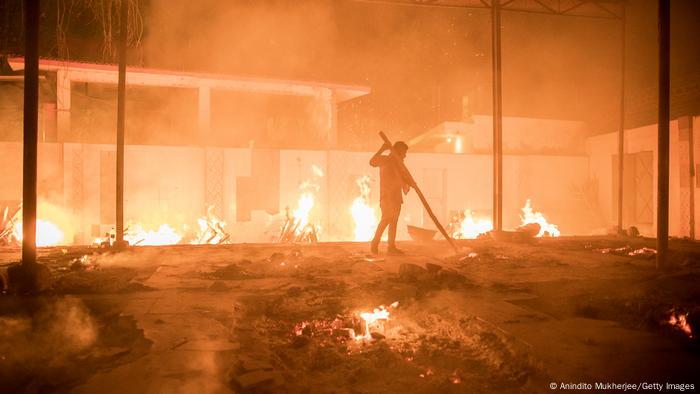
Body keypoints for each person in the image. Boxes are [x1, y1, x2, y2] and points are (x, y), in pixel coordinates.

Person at [369, 141, 412, 255]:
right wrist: (382, 148)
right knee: (386, 219)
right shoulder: (385, 160)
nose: (405, 155)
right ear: (397, 151)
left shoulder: (399, 164)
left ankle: (391, 247)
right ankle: (375, 243)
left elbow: (404, 177)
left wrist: (410, 182)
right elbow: (372, 162)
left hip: (396, 197)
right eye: (403, 152)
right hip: (387, 196)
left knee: (393, 221)